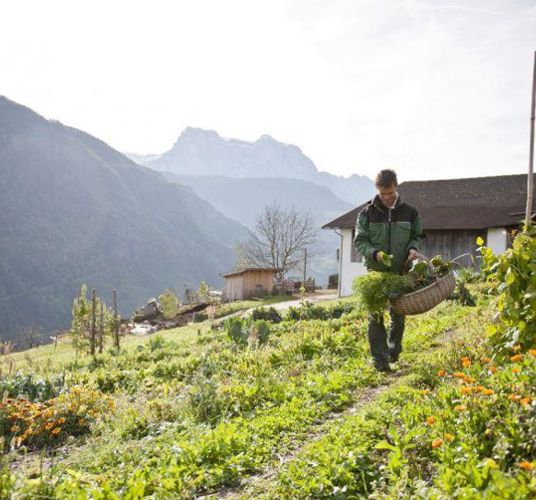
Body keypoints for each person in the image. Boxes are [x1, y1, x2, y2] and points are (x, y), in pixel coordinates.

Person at [354, 169, 423, 372]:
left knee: (398, 315)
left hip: (400, 272)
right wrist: (375, 254)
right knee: (375, 316)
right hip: (376, 274)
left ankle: (393, 352)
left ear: (396, 187)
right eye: (383, 194)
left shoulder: (411, 213)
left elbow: (417, 236)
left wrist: (412, 249)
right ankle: (380, 360)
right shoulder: (366, 214)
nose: (386, 198)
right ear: (378, 190)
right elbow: (360, 241)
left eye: (390, 193)